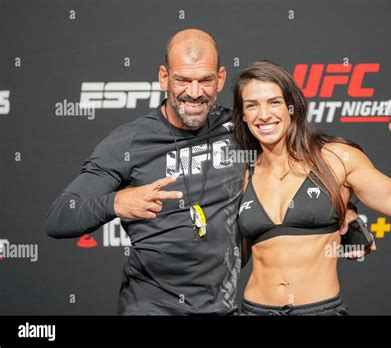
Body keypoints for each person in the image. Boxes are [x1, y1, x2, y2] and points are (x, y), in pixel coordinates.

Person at [46, 28, 364, 315]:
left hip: (222, 309)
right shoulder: (129, 143)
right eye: (183, 80)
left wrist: (346, 211)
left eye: (205, 80)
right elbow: (59, 217)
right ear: (163, 77)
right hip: (150, 309)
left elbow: (305, 159)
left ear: (220, 79)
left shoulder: (239, 129)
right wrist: (116, 203)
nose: (195, 92)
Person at [233, 61, 391, 315]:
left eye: (274, 102)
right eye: (252, 105)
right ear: (243, 116)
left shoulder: (336, 159)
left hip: (319, 310)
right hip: (254, 310)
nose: (263, 115)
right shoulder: (242, 174)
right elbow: (234, 259)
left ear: (292, 107)